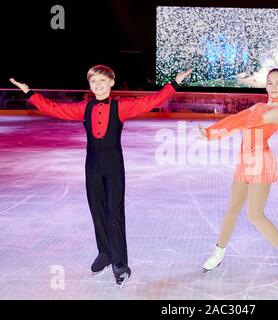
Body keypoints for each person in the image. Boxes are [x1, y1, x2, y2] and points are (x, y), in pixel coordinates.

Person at [10, 66, 192, 287]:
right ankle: (104, 253)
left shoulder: (121, 107)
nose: (98, 85)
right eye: (93, 81)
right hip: (92, 165)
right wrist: (30, 93)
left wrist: (174, 83)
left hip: (114, 165)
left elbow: (150, 102)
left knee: (114, 213)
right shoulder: (83, 108)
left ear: (112, 83)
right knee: (96, 209)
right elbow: (56, 108)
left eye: (102, 81)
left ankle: (119, 263)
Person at [198, 68, 278, 280]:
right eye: (270, 82)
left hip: (259, 161)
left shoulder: (277, 112)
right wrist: (212, 131)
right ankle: (219, 252)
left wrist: (212, 134)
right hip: (245, 160)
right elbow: (237, 118)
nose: (273, 87)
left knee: (255, 215)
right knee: (233, 208)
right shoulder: (259, 106)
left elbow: (243, 123)